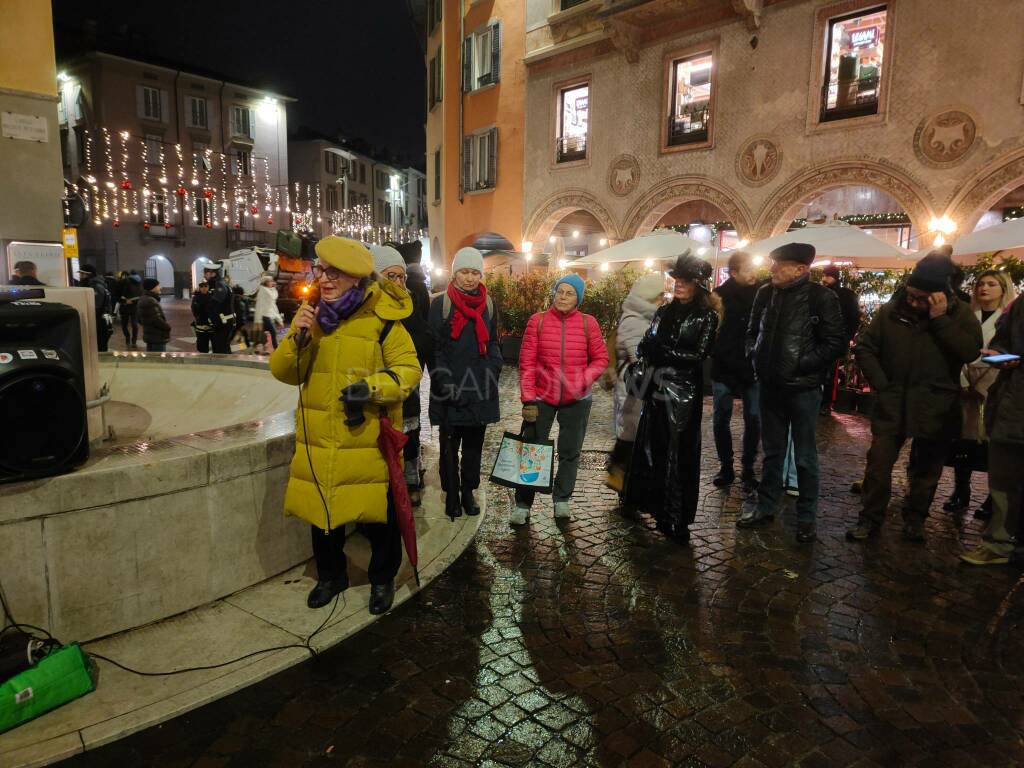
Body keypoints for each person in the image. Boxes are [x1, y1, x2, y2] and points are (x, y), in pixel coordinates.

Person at [269, 236, 421, 613]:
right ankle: (331, 575)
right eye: (322, 271)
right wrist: (296, 338)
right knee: (323, 515)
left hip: (367, 439)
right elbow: (285, 373)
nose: (325, 279)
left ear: (356, 278)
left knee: (381, 518)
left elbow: (408, 371)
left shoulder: (383, 322)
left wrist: (370, 388)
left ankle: (382, 579)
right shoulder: (312, 318)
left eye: (334, 272)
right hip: (320, 438)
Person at [845, 247, 982, 542]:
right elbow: (865, 348)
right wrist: (882, 383)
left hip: (936, 404)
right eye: (910, 294)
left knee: (926, 470)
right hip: (893, 402)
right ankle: (870, 519)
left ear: (940, 296)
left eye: (921, 298)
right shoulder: (891, 312)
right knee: (878, 466)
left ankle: (915, 519)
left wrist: (940, 320)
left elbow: (970, 351)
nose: (912, 301)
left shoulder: (960, 315)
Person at [737, 243, 845, 543]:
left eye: (779, 264)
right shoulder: (765, 294)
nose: (772, 269)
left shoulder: (820, 297)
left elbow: (834, 342)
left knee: (805, 457)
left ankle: (806, 518)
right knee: (772, 453)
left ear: (800, 269)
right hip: (770, 387)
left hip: (803, 390)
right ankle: (766, 507)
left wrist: (800, 365)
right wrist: (754, 354)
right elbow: (752, 331)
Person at [624, 253, 721, 543]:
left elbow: (698, 356)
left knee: (677, 452)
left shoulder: (707, 316)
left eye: (685, 280)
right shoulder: (663, 311)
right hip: (656, 385)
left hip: (683, 392)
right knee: (651, 446)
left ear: (698, 285)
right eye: (677, 279)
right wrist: (648, 349)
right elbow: (645, 344)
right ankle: (646, 503)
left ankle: (675, 516)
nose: (678, 284)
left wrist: (664, 352)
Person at [514, 272, 609, 524]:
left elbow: (601, 359)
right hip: (542, 397)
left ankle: (562, 500)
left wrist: (582, 381)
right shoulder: (538, 321)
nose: (563, 297)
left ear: (578, 298)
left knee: (570, 452)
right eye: (560, 291)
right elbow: (527, 363)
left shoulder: (589, 323)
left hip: (577, 399)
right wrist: (528, 399)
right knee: (532, 449)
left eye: (570, 293)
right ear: (554, 293)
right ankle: (523, 504)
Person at [427, 247, 502, 519]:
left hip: (479, 387)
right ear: (454, 273)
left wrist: (494, 367)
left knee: (473, 446)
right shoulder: (440, 305)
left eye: (474, 273)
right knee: (449, 446)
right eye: (464, 272)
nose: (470, 278)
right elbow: (434, 348)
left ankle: (468, 491)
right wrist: (444, 383)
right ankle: (451, 494)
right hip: (449, 388)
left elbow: (493, 341)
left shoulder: (489, 304)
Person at [944, 270, 1017, 525]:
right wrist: (963, 381)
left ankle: (990, 498)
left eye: (991, 284)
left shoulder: (1007, 319)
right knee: (963, 442)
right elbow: (954, 350)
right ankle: (961, 490)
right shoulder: (967, 316)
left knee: (989, 445)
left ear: (1003, 288)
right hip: (964, 386)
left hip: (992, 386)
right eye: (981, 283)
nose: (984, 288)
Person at [960, 294, 1024, 567]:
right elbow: (1004, 336)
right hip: (1013, 405)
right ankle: (999, 542)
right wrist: (1001, 353)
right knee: (1004, 479)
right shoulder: (1021, 304)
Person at [373, 245, 432, 507]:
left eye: (401, 277)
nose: (398, 282)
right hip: (375, 388)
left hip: (405, 383)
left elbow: (423, 338)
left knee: (410, 430)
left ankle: (410, 480)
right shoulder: (366, 306)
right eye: (391, 276)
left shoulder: (410, 302)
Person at [605, 273, 666, 492]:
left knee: (634, 432)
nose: (663, 300)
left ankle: (628, 483)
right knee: (631, 432)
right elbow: (638, 357)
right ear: (649, 297)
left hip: (639, 384)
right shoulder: (635, 320)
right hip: (632, 386)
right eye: (660, 296)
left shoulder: (644, 318)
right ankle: (618, 472)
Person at [710, 250, 762, 491]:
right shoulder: (719, 296)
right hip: (724, 365)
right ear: (733, 273)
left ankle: (748, 466)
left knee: (754, 417)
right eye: (748, 270)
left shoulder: (764, 293)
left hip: (752, 366)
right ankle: (726, 465)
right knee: (721, 416)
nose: (753, 274)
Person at [820, 265, 861, 414]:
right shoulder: (821, 292)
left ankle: (826, 404)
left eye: (827, 276)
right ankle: (821, 402)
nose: (824, 279)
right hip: (821, 340)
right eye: (823, 275)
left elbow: (854, 319)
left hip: (835, 341)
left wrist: (846, 338)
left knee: (830, 374)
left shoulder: (846, 295)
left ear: (835, 277)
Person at [77, 264, 114, 352]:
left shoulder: (95, 286)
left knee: (99, 348)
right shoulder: (92, 284)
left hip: (100, 323)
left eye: (82, 274)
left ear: (88, 274)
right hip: (99, 321)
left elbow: (96, 307)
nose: (80, 276)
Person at [203, 262, 234, 353]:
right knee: (221, 347)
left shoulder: (219, 285)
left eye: (206, 273)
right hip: (221, 322)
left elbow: (215, 303)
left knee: (220, 349)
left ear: (213, 273)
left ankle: (225, 366)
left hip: (223, 323)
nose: (204, 275)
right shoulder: (216, 283)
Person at [137, 277, 171, 352]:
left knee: (152, 358)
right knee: (159, 359)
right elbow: (156, 319)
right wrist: (167, 327)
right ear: (152, 288)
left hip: (150, 334)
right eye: (158, 286)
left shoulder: (144, 298)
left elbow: (139, 319)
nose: (160, 287)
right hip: (157, 336)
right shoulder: (150, 301)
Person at [254, 276, 284, 353]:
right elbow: (273, 297)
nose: (272, 282)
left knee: (267, 333)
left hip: (269, 316)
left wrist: (279, 319)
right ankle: (275, 349)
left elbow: (273, 306)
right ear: (266, 282)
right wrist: (258, 320)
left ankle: (261, 348)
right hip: (266, 316)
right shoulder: (264, 291)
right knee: (273, 332)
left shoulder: (268, 290)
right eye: (270, 281)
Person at [115, 270, 143, 348]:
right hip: (135, 305)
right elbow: (141, 294)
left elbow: (116, 295)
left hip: (125, 306)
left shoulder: (122, 282)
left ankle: (128, 339)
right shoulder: (139, 282)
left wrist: (124, 301)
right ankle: (134, 341)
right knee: (134, 324)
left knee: (124, 324)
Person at [191, 281, 214, 353]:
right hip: (201, 324)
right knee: (202, 346)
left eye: (205, 286)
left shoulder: (213, 297)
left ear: (208, 287)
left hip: (212, 325)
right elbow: (194, 310)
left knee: (215, 344)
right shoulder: (196, 297)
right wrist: (198, 318)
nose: (204, 288)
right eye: (201, 286)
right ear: (199, 288)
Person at [230, 285, 253, 350]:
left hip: (236, 320)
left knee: (233, 334)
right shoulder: (242, 300)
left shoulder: (233, 299)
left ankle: (227, 347)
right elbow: (244, 312)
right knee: (241, 334)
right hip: (240, 321)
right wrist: (244, 321)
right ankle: (247, 346)